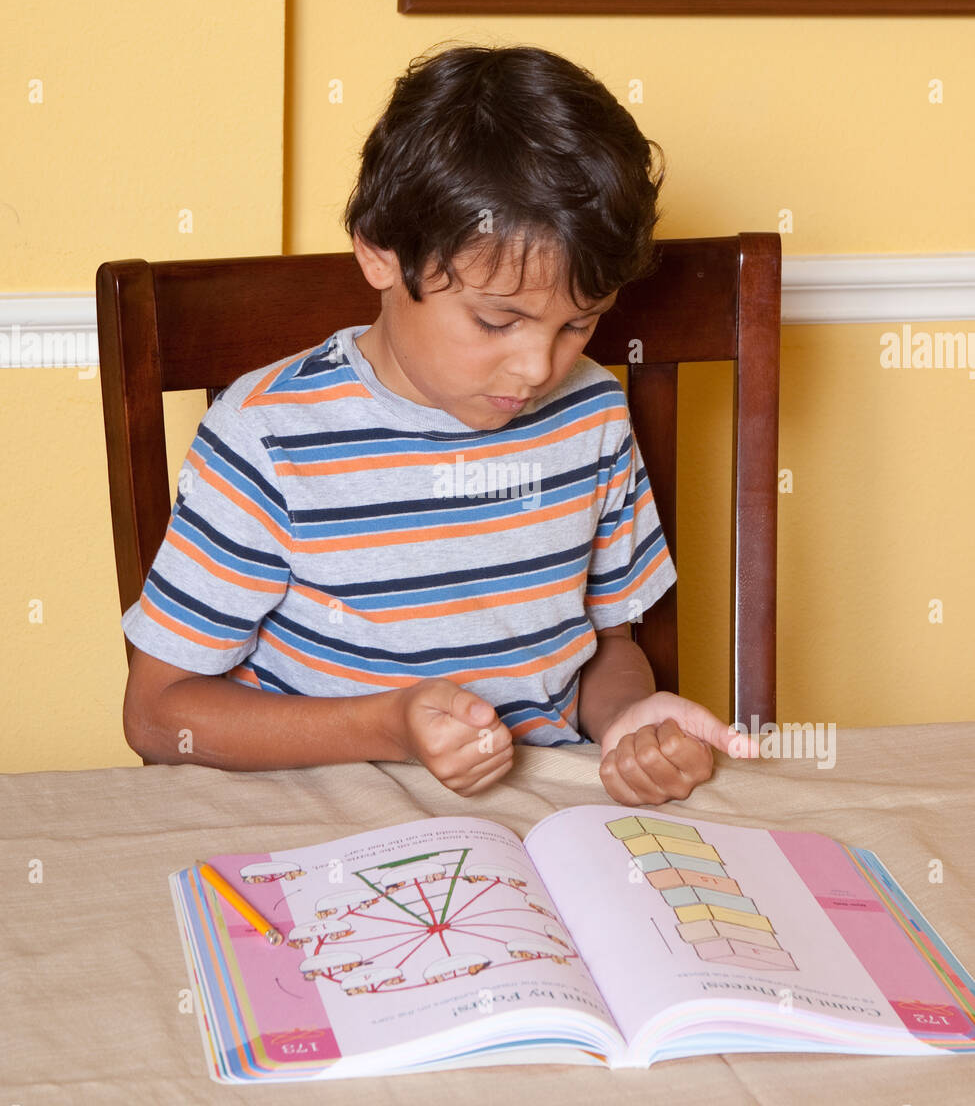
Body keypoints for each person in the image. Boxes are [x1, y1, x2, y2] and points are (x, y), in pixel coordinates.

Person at [121, 43, 759, 802]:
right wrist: (389, 725)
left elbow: (604, 647)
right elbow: (158, 714)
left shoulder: (592, 415)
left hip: (549, 814)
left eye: (577, 325)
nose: (535, 368)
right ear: (379, 253)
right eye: (497, 322)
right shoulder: (268, 436)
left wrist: (627, 721)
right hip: (326, 817)